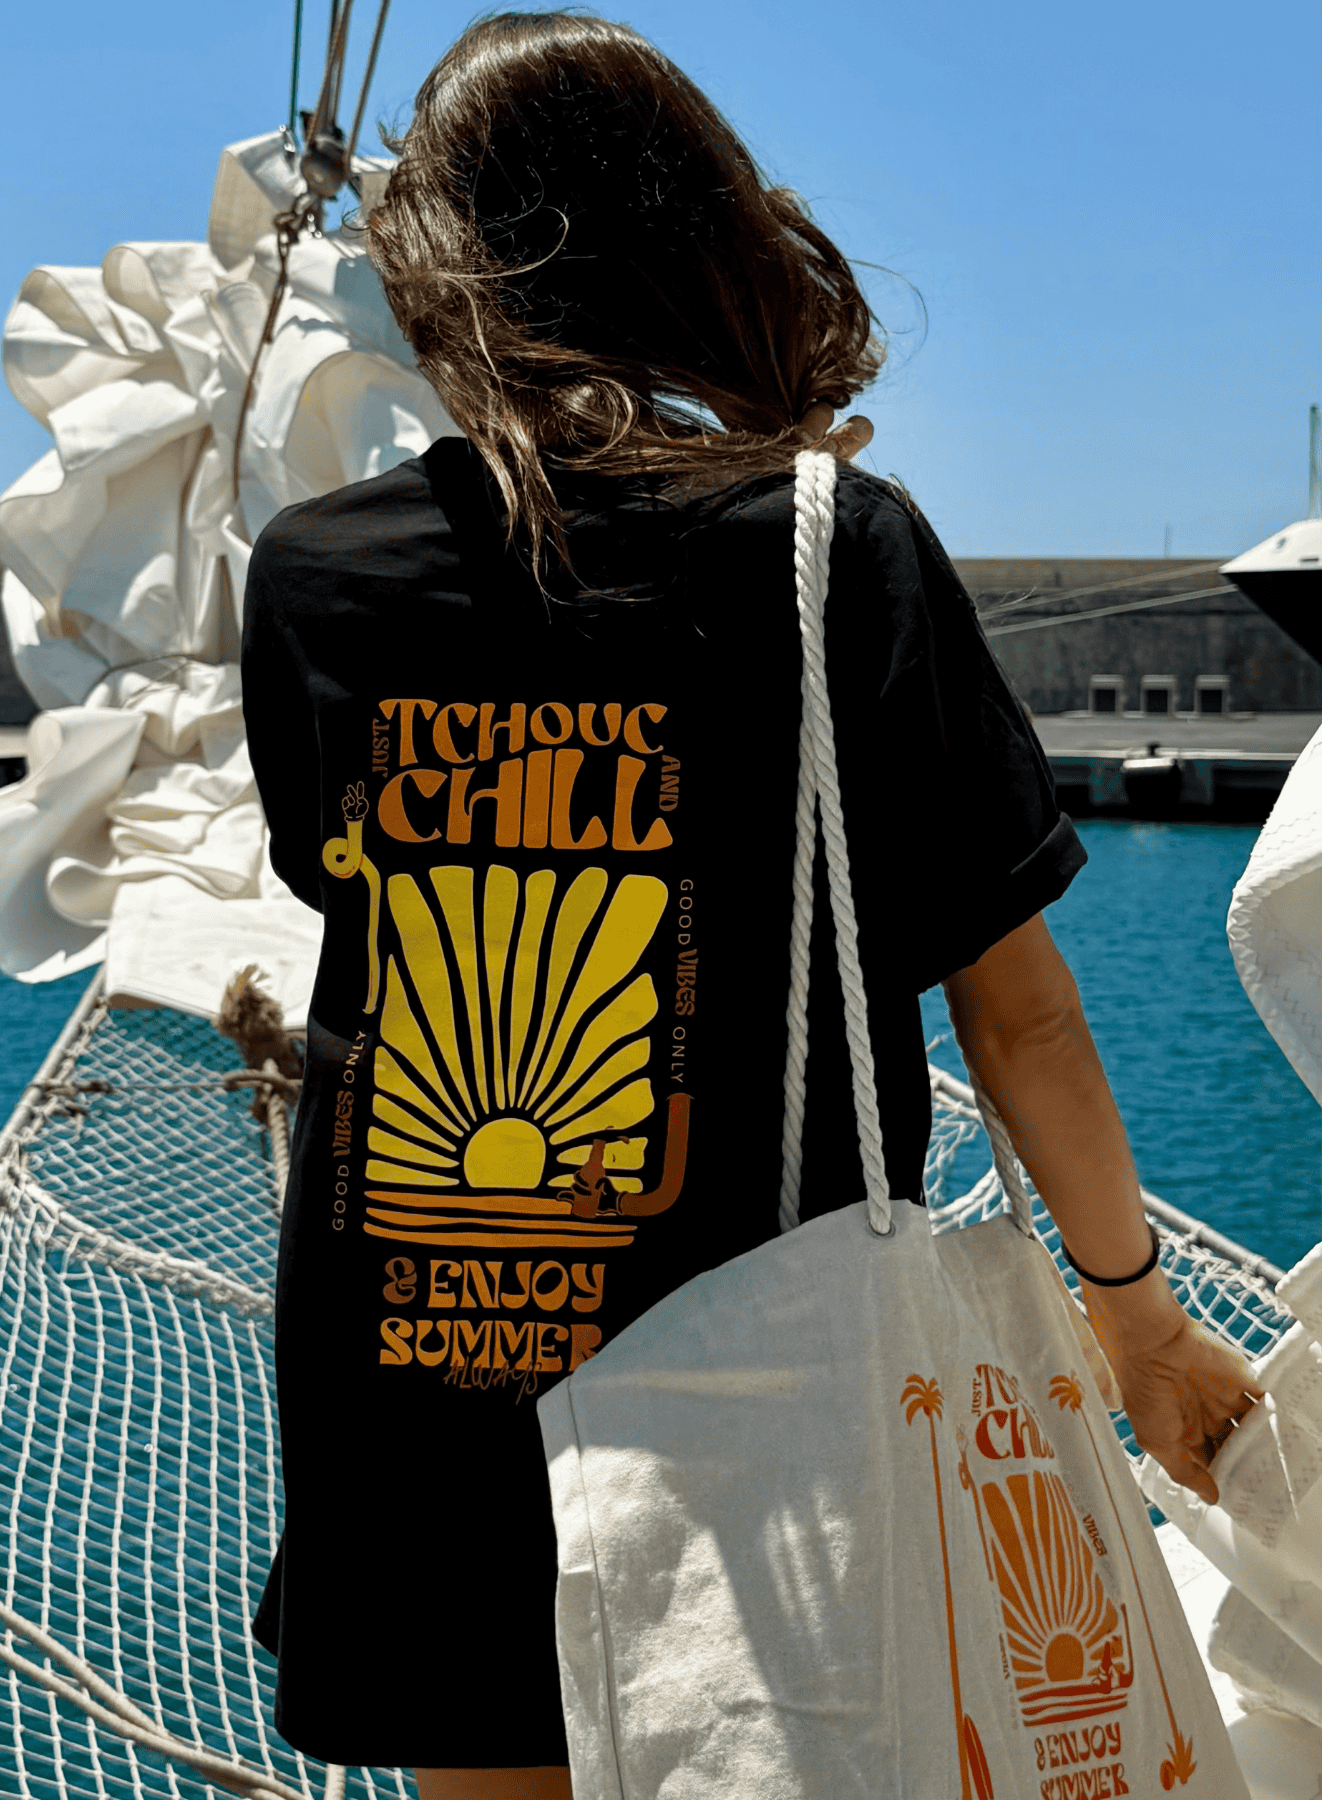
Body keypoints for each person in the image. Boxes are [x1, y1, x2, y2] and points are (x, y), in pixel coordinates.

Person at [239, 15, 1259, 1798]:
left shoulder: (318, 577)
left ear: (435, 274)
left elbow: (353, 893)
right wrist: (1135, 1317)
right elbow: (1011, 1009)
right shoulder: (833, 547)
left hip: (414, 1384)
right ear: (708, 238)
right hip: (772, 1401)